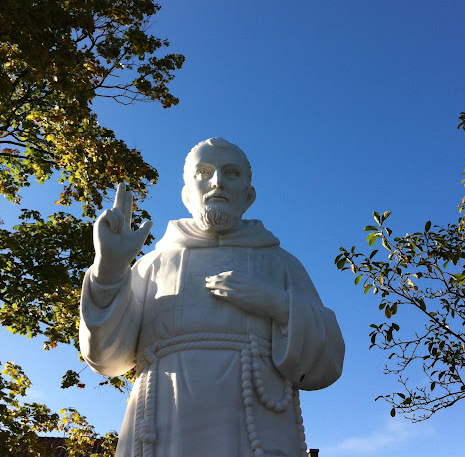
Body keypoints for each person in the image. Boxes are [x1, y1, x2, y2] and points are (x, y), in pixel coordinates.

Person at [80, 137, 345, 457]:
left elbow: (327, 362)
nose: (217, 181)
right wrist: (109, 271)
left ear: (248, 196)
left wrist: (277, 304)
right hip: (165, 431)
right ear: (186, 193)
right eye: (203, 172)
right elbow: (106, 359)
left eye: (231, 173)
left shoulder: (281, 263)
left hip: (257, 432)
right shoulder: (151, 265)